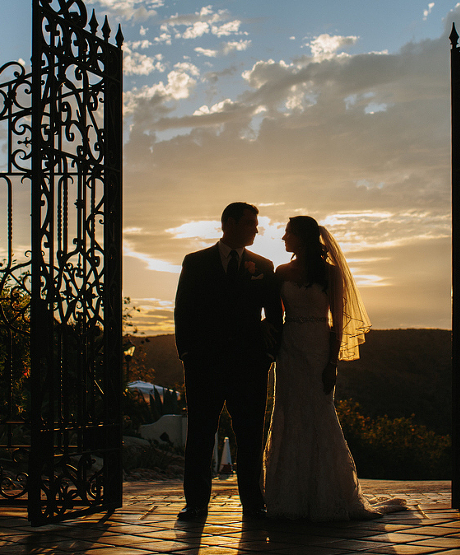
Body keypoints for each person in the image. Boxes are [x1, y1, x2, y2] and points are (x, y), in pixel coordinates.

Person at [263, 215, 405, 521]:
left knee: (319, 412)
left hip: (317, 349)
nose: (284, 238)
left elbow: (337, 323)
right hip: (289, 350)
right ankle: (288, 495)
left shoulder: (329, 273)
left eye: (288, 233)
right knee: (288, 412)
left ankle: (327, 493)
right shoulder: (282, 271)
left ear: (302, 236)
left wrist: (332, 363)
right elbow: (274, 312)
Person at [173, 202, 282, 522]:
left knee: (250, 437)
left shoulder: (264, 264)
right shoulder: (195, 262)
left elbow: (275, 315)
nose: (256, 229)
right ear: (230, 223)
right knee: (200, 434)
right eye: (250, 223)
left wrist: (268, 356)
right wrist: (187, 355)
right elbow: (183, 310)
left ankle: (254, 503)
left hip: (250, 366)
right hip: (204, 365)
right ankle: (195, 503)